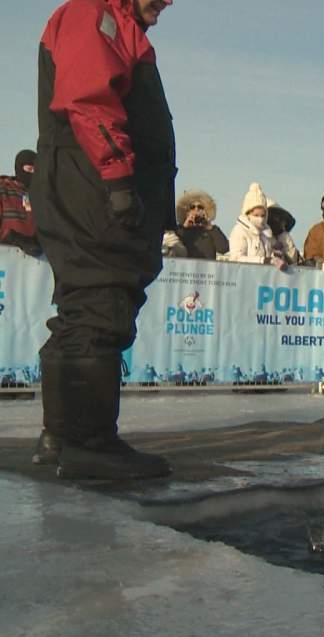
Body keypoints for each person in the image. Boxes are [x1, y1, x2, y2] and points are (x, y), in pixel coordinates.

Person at [29, 0, 176, 479]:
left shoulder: (116, 25)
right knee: (100, 302)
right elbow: (88, 98)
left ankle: (61, 438)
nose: (168, 2)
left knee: (83, 306)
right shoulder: (96, 14)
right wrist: (118, 182)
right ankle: (91, 443)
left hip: (86, 180)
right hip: (93, 184)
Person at [227, 183, 280, 266]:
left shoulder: (267, 234)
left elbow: (268, 256)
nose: (260, 219)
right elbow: (236, 258)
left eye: (263, 215)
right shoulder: (239, 231)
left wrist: (276, 257)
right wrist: (263, 260)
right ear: (247, 214)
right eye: (256, 215)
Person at [1, 150, 41, 256]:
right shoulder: (4, 190)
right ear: (19, 168)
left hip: (35, 266)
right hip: (6, 259)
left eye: (36, 171)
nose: (32, 173)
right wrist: (12, 237)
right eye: (29, 169)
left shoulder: (41, 196)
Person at [174, 190, 229, 260]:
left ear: (205, 211)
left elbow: (224, 249)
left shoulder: (211, 230)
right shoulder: (180, 229)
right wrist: (185, 227)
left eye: (200, 207)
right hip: (185, 269)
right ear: (187, 212)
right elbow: (174, 247)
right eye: (192, 207)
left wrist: (210, 227)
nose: (196, 210)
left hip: (208, 270)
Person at [266, 199, 301, 265]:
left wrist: (283, 237)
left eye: (278, 217)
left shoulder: (284, 237)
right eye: (272, 217)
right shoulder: (262, 236)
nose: (276, 220)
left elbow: (293, 260)